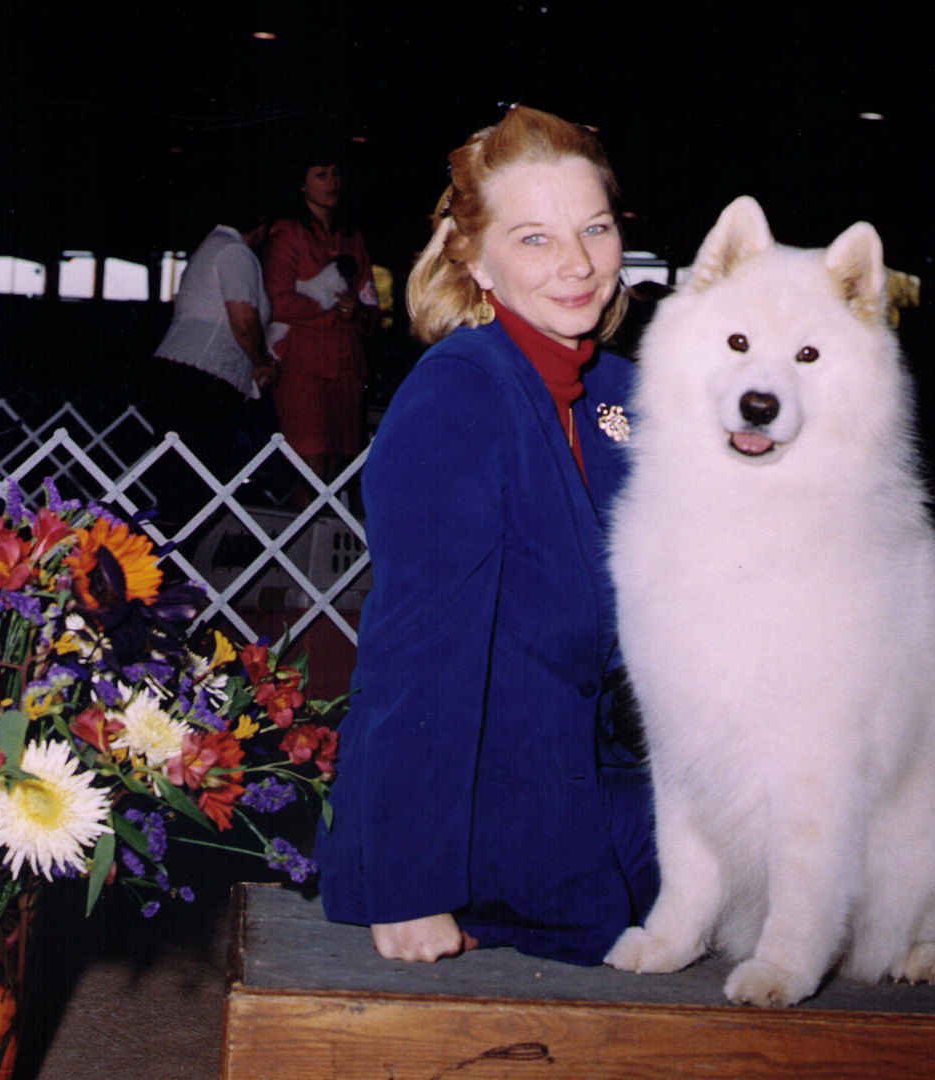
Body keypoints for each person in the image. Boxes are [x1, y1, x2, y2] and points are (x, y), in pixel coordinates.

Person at [315, 105, 658, 966]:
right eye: (535, 239)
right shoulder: (456, 397)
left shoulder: (623, 388)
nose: (578, 264)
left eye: (595, 228)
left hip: (619, 779)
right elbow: (414, 658)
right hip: (495, 816)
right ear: (474, 259)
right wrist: (407, 885)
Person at [263, 157, 378, 501]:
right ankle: (296, 554)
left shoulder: (352, 237)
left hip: (348, 367)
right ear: (301, 184)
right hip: (302, 366)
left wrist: (359, 311)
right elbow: (277, 301)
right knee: (309, 468)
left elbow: (371, 304)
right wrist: (330, 313)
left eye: (337, 173)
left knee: (337, 473)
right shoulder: (287, 233)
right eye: (321, 174)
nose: (333, 182)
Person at [150, 205, 276, 520]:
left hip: (182, 375)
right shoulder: (236, 252)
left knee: (180, 486)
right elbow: (244, 320)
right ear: (261, 223)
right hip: (201, 380)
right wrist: (262, 363)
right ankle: (181, 563)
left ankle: (173, 562)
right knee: (196, 487)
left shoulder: (214, 244)